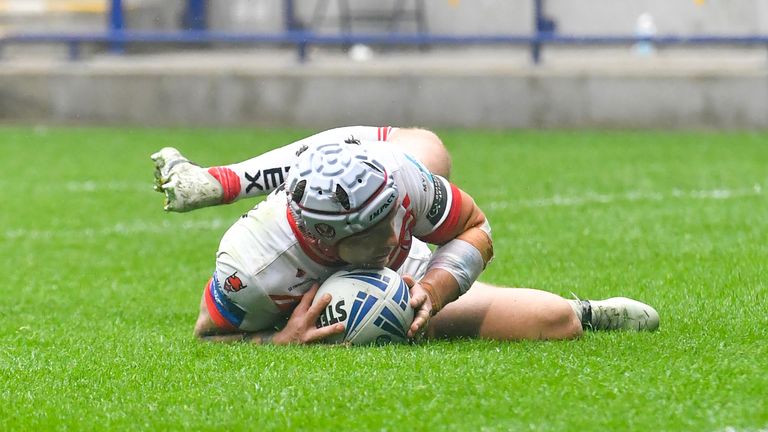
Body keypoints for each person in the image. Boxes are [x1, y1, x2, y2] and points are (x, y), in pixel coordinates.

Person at [151, 126, 659, 344]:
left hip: (393, 276)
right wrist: (278, 342)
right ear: (329, 241)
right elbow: (206, 336)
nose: (401, 231)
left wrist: (435, 288)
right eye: (378, 231)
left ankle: (226, 179)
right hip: (302, 304)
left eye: (397, 214)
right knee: (552, 320)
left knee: (429, 149)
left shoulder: (400, 182)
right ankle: (585, 313)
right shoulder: (252, 269)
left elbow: (475, 227)